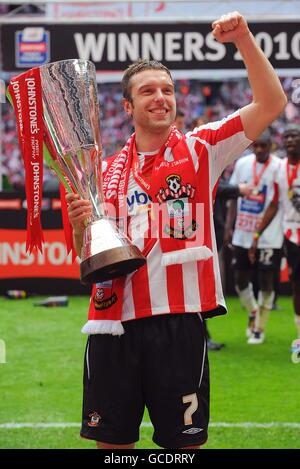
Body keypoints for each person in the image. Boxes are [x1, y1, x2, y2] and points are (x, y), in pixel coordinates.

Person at [66, 12, 286, 450]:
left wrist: (242, 38)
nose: (161, 98)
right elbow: (85, 256)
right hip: (114, 327)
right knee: (112, 449)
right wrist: (79, 226)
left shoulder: (202, 148)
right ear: (126, 106)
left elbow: (271, 102)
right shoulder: (103, 173)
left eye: (167, 90)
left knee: (182, 448)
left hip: (179, 323)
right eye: (147, 91)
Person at [224, 130, 284, 344]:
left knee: (266, 282)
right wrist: (229, 227)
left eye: (263, 146)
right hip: (242, 233)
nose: (259, 149)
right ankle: (252, 310)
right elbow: (233, 196)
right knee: (241, 281)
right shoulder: (242, 164)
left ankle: (259, 327)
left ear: (271, 146)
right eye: (256, 145)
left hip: (270, 236)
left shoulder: (279, 167)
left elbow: (281, 203)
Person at [249, 124, 300, 348]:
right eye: (286, 136)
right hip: (291, 233)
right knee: (297, 285)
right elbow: (274, 203)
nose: (290, 140)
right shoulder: (280, 170)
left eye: (294, 136)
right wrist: (257, 233)